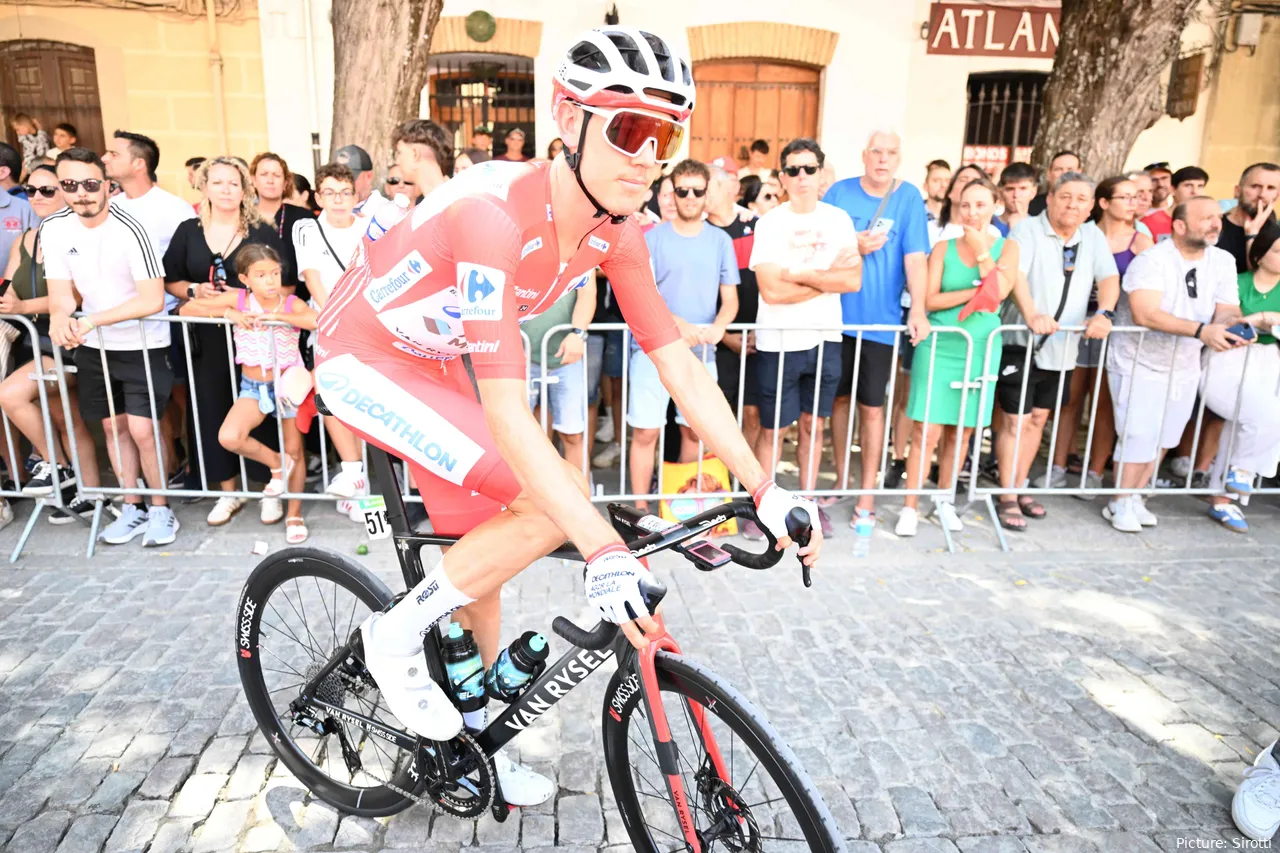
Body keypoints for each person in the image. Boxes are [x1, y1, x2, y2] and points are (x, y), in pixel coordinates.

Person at [312, 26, 821, 806]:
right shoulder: (494, 216)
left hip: (438, 354)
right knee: (548, 506)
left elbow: (677, 361)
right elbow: (511, 411)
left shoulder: (616, 232)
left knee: (487, 553)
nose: (650, 156)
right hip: (365, 355)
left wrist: (765, 487)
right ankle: (391, 636)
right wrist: (602, 548)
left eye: (667, 133)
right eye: (630, 129)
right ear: (567, 117)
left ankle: (466, 736)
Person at [44, 147, 177, 546]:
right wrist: (59, 319)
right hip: (94, 345)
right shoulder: (54, 229)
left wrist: (90, 320)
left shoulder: (131, 226)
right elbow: (61, 294)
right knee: (112, 426)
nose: (81, 193)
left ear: (107, 184)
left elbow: (152, 299)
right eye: (69, 185)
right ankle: (131, 506)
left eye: (89, 184)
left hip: (143, 342)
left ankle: (161, 509)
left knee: (142, 429)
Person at [1103, 196, 1243, 532]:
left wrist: (1228, 326)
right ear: (1179, 226)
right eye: (1206, 217)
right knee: (1138, 432)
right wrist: (1201, 330)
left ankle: (1136, 496)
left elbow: (1227, 307)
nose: (1216, 223)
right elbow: (1146, 313)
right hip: (1138, 360)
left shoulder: (1222, 260)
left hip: (1185, 363)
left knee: (1166, 435)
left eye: (1217, 217)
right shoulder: (1152, 260)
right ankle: (1119, 501)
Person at [164, 156, 289, 526]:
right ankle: (228, 492)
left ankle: (271, 484)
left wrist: (238, 299)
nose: (226, 190)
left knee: (261, 408)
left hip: (254, 332)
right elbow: (170, 281)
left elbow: (281, 283)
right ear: (204, 187)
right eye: (217, 183)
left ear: (244, 188)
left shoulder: (261, 231)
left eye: (233, 183)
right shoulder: (188, 230)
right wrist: (192, 289)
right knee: (211, 408)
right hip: (207, 337)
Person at [995, 171, 1119, 531]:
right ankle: (1006, 494)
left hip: (1063, 346)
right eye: (1065, 196)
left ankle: (1018, 486)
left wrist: (1105, 313)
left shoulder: (1092, 235)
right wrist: (1032, 311)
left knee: (1037, 419)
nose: (1073, 204)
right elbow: (1015, 274)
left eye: (1082, 199)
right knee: (1015, 419)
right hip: (1021, 342)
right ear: (1049, 198)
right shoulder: (1027, 230)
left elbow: (1109, 278)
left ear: (1091, 206)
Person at [749, 137, 859, 537]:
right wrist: (826, 281)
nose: (801, 177)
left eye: (809, 169)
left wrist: (800, 274)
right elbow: (772, 291)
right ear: (781, 177)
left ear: (821, 173)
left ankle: (809, 507)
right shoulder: (770, 223)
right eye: (793, 170)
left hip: (826, 337)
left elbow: (854, 279)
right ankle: (766, 509)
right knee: (773, 429)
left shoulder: (838, 220)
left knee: (815, 426)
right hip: (780, 340)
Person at [897, 177, 1018, 536]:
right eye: (966, 205)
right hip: (941, 343)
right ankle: (910, 506)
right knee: (926, 431)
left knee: (963, 432)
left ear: (995, 206)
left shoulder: (1008, 248)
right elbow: (930, 300)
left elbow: (996, 298)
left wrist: (982, 252)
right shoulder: (943, 248)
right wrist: (976, 290)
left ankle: (945, 500)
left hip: (980, 347)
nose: (972, 212)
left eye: (981, 205)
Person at [822, 131, 930, 522]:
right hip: (834, 320)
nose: (883, 159)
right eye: (877, 152)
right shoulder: (838, 192)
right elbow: (819, 246)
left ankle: (866, 492)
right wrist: (854, 244)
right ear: (864, 156)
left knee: (871, 408)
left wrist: (918, 310)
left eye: (892, 153)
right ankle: (840, 479)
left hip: (880, 324)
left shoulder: (909, 197)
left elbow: (916, 259)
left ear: (899, 158)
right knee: (836, 402)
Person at [179, 243, 316, 542]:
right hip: (252, 386)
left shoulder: (289, 302)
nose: (270, 280)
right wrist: (228, 313)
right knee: (230, 436)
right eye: (262, 275)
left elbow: (313, 320)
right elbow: (187, 308)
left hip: (288, 385)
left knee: (296, 449)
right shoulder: (240, 300)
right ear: (245, 279)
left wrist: (279, 319)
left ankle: (294, 514)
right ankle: (277, 465)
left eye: (275, 273)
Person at [629, 158, 739, 511]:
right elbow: (643, 295)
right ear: (671, 194)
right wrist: (680, 326)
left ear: (708, 194)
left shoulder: (721, 241)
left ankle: (686, 506)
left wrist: (720, 326)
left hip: (702, 353)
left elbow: (730, 299)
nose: (690, 197)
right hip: (652, 350)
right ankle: (640, 510)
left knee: (694, 431)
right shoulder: (652, 239)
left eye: (697, 191)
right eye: (682, 191)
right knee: (646, 431)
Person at [0, 164, 100, 524]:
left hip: (70, 341)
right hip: (34, 341)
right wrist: (11, 301)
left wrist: (24, 306)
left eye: (47, 190)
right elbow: (8, 288)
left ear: (66, 192)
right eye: (31, 190)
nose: (37, 197)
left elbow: (74, 295)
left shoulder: (78, 235)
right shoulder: (25, 239)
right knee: (65, 417)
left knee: (10, 394)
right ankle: (87, 495)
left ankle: (57, 467)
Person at [1042, 175, 1153, 494]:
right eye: (1126, 197)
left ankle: (1094, 471)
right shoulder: (1083, 234)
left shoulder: (1141, 242)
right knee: (1070, 399)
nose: (1134, 203)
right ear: (1103, 203)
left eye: (1136, 197)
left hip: (1115, 326)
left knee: (1104, 402)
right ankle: (1058, 467)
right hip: (1074, 323)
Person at [293, 162, 368, 519]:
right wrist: (337, 318)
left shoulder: (370, 229)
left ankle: (364, 483)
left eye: (345, 192)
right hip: (329, 327)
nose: (338, 200)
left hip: (367, 329)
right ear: (318, 196)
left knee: (364, 404)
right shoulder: (307, 229)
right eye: (330, 193)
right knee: (330, 400)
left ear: (356, 195)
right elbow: (313, 279)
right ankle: (353, 474)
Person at [1198, 222, 1280, 534]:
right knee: (1267, 416)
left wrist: (1264, 321)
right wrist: (1261, 320)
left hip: (1268, 363)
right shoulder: (1236, 283)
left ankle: (1223, 498)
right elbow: (1227, 322)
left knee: (1241, 428)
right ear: (1260, 254)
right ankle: (1243, 471)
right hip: (1226, 360)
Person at [707, 164, 761, 452]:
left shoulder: (755, 226)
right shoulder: (700, 232)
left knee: (752, 414)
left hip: (756, 339)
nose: (703, 194)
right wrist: (725, 336)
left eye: (710, 186)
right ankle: (719, 481)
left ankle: (747, 486)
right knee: (719, 416)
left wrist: (758, 334)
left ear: (729, 188)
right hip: (718, 340)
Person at [525, 270, 596, 473]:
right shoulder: (518, 240)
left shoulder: (580, 244)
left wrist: (579, 333)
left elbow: (588, 293)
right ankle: (526, 502)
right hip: (520, 353)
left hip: (566, 356)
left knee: (573, 435)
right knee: (518, 436)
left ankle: (581, 502)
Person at [250, 153, 315, 295]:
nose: (270, 180)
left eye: (277, 175)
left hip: (297, 300)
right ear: (253, 180)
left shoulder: (304, 218)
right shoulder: (242, 218)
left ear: (285, 183)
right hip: (249, 301)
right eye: (264, 174)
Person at [1218, 162, 1279, 273]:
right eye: (1255, 186)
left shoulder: (1277, 236)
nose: (1262, 194)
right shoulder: (1215, 226)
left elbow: (1263, 283)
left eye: (1270, 188)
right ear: (1237, 191)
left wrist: (1251, 236)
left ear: (1277, 195)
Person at [929, 163, 991, 245]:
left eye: (975, 181)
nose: (969, 184)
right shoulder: (930, 228)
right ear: (949, 191)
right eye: (963, 180)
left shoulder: (992, 232)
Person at [1143, 166, 1207, 241]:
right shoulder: (1150, 222)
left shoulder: (1209, 222)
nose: (1195, 192)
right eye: (1188, 186)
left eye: (1200, 186)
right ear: (1172, 189)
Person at [333, 144, 383, 217]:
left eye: (349, 178)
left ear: (368, 177)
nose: (342, 184)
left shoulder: (385, 212)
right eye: (337, 178)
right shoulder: (329, 209)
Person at [1027, 150, 1081, 217]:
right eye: (1058, 169)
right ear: (1049, 174)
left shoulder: (1089, 209)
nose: (1064, 174)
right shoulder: (1030, 206)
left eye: (1070, 170)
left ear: (1079, 173)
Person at [995, 162, 1037, 237]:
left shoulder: (1041, 228)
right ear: (1000, 192)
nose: (1016, 195)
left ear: (1033, 192)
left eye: (1023, 188)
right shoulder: (988, 224)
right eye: (1010, 189)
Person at [9, 114, 50, 178]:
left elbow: (41, 151)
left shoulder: (42, 136)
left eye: (18, 129)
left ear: (25, 126)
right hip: (30, 166)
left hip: (40, 164)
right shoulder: (25, 138)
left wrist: (39, 128)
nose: (17, 133)